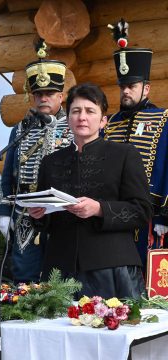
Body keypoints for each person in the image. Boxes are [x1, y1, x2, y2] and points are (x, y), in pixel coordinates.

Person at [29, 83, 152, 299]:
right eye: (75, 111)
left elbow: (142, 211)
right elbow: (46, 220)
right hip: (60, 269)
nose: (82, 117)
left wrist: (99, 209)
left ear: (103, 120)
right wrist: (38, 215)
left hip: (112, 266)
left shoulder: (124, 154)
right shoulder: (50, 162)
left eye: (90, 111)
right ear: (68, 119)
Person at [0, 42, 73, 283]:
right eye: (39, 94)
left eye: (49, 93)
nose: (43, 98)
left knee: (61, 279)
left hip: (63, 213)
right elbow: (8, 173)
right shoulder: (21, 128)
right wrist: (3, 212)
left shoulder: (74, 125)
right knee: (24, 277)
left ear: (60, 96)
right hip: (25, 214)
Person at [103, 24, 168, 269]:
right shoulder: (110, 124)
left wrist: (164, 214)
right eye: (123, 86)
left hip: (150, 217)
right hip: (115, 214)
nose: (126, 91)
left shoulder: (164, 119)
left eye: (132, 86)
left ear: (146, 88)